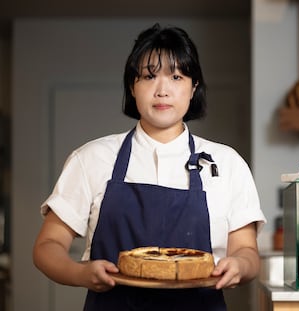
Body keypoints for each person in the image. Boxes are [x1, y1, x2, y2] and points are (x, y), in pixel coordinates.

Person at [33, 23, 266, 311]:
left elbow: (247, 251)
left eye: (177, 76)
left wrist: (240, 266)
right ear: (133, 86)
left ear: (194, 88)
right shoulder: (91, 158)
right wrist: (81, 273)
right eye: (149, 76)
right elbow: (47, 247)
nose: (162, 90)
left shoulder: (228, 163)